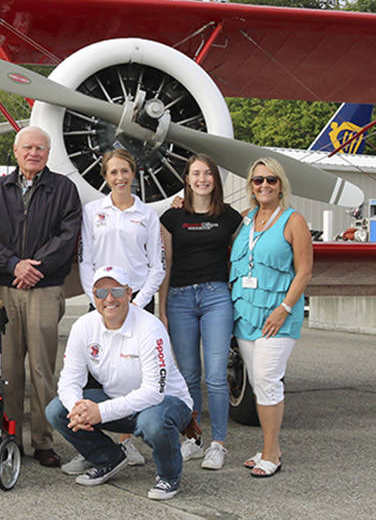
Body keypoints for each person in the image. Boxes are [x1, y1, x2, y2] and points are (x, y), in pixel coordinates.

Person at [0, 126, 81, 468]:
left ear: (48, 153)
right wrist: (12, 264)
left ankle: (43, 440)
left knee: (42, 369)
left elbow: (68, 235)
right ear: (16, 151)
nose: (33, 153)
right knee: (8, 370)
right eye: (27, 147)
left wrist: (35, 267)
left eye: (39, 148)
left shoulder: (63, 189)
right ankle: (8, 435)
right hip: (6, 289)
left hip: (45, 288)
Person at [45, 265, 193, 500]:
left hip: (166, 403)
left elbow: (154, 392)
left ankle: (168, 476)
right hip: (119, 403)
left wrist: (100, 412)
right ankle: (109, 459)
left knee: (153, 421)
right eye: (101, 293)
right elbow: (69, 380)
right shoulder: (83, 326)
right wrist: (78, 408)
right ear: (93, 297)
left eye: (116, 290)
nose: (109, 299)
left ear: (129, 293)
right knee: (57, 410)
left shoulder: (150, 327)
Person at [70, 148, 165, 473]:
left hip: (136, 300)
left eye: (125, 171)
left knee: (133, 373)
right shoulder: (92, 210)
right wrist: (98, 299)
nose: (120, 178)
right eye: (113, 172)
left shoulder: (147, 214)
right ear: (105, 176)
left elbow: (157, 266)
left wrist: (136, 303)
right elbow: (85, 260)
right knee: (94, 375)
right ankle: (95, 447)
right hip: (102, 301)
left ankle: (128, 441)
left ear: (133, 174)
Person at [228, 157, 312, 478]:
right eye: (258, 180)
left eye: (271, 180)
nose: (264, 185)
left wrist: (285, 308)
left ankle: (271, 454)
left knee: (267, 381)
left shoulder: (293, 221)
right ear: (251, 186)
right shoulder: (246, 220)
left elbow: (304, 270)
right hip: (245, 315)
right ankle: (270, 448)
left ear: (281, 186)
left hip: (277, 317)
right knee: (259, 382)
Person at [160, 154, 243, 470]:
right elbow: (165, 265)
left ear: (216, 180)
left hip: (216, 297)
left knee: (217, 376)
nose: (202, 179)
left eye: (208, 173)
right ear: (187, 178)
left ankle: (218, 444)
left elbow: (249, 243)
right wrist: (163, 308)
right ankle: (192, 439)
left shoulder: (230, 217)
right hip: (179, 299)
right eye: (196, 173)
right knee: (188, 375)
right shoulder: (172, 217)